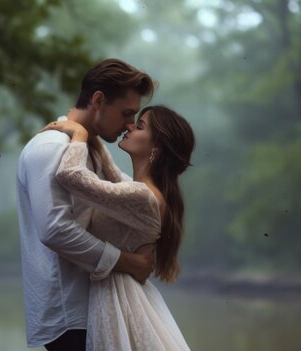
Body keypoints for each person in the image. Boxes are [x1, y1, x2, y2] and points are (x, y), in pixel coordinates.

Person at [16, 59, 156, 350]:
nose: (130, 124)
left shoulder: (89, 148)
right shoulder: (51, 147)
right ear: (98, 100)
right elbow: (55, 229)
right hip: (71, 313)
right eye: (127, 114)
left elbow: (126, 198)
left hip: (93, 304)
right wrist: (129, 262)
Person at [41, 104, 195, 350]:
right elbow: (113, 176)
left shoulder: (141, 196)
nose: (130, 126)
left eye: (140, 126)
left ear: (155, 148)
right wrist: (92, 135)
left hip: (119, 300)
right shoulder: (143, 191)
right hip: (123, 295)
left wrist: (79, 134)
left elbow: (70, 176)